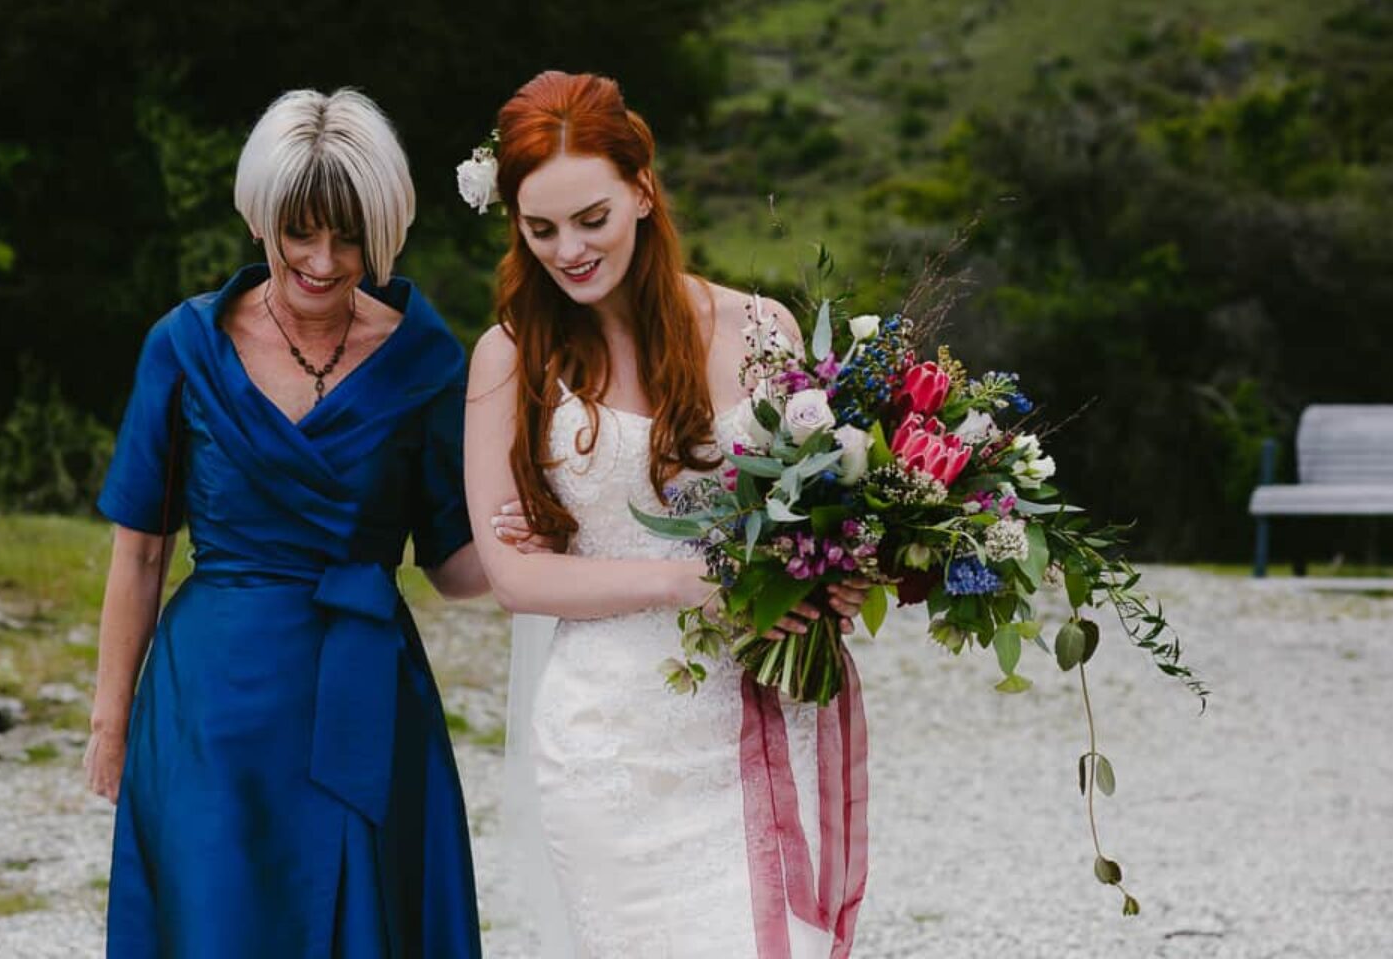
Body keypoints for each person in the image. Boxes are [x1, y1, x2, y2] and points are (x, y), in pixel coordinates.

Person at [464, 71, 871, 957]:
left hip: (762, 709)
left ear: (642, 191)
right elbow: (513, 574)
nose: (568, 249)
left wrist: (839, 572)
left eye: (591, 219)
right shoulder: (508, 357)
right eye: (541, 229)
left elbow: (819, 512)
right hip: (612, 746)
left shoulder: (763, 329)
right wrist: (699, 579)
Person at [83, 88, 489, 957]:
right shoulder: (184, 346)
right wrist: (110, 726)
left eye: (348, 236)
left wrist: (575, 528)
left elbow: (454, 563)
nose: (323, 258)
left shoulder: (426, 359)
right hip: (210, 704)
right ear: (261, 218)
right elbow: (142, 552)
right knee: (215, 924)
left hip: (368, 698)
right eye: (300, 231)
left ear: (382, 231)